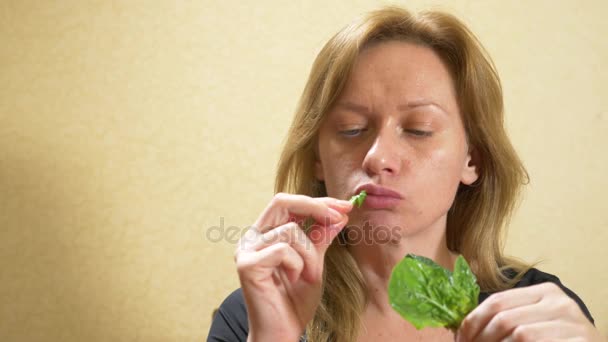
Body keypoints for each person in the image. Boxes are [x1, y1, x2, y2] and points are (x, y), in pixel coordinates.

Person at [208, 6, 602, 342]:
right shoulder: (252, 315)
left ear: (473, 160)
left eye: (418, 130)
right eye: (350, 129)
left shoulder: (538, 311)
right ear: (317, 158)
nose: (378, 158)